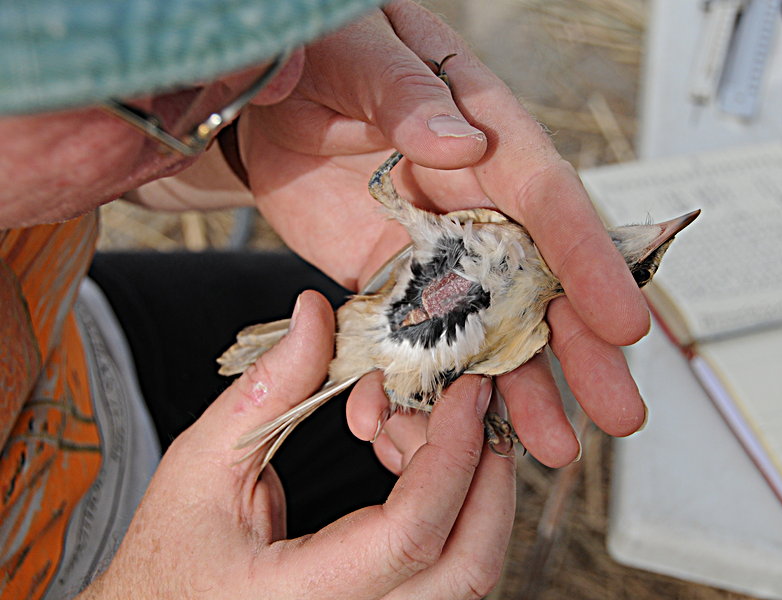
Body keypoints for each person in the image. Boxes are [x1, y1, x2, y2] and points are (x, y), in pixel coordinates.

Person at [0, 1, 650, 598]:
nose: (282, 81)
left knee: (389, 456)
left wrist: (241, 141)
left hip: (88, 352)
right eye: (159, 73)